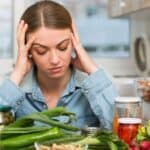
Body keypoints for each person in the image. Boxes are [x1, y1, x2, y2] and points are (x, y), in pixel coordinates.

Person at [0, 0, 118, 130]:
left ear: (74, 43)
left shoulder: (97, 82)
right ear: (28, 51)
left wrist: (91, 68)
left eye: (62, 47)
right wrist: (17, 74)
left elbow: (119, 132)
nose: (55, 60)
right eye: (41, 51)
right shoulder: (12, 86)